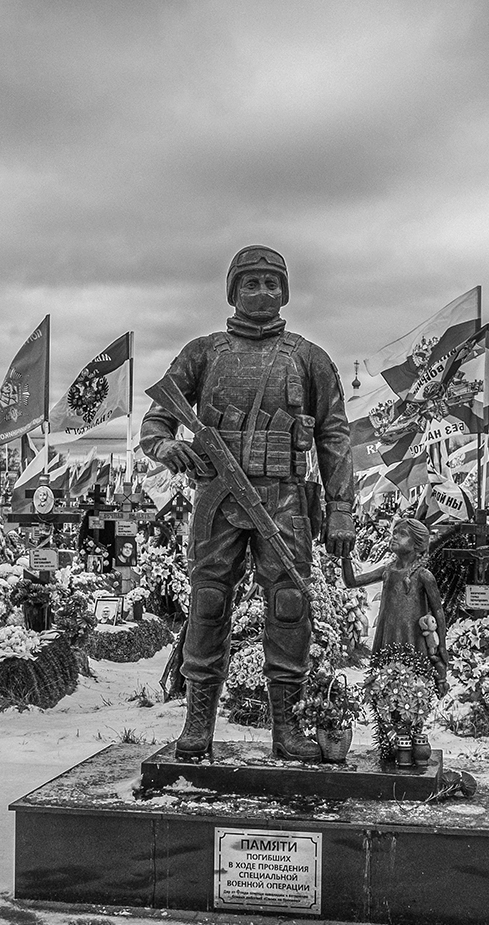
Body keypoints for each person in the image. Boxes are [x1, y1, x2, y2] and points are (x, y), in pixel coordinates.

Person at [140, 245, 355, 762]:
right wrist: (166, 447)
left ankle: (288, 730)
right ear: (233, 291)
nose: (262, 292)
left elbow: (334, 435)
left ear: (285, 291)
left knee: (289, 606)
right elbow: (156, 421)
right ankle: (198, 724)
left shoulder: (309, 358)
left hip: (286, 499)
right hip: (217, 500)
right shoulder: (203, 353)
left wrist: (341, 508)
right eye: (251, 283)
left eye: (271, 283)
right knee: (208, 602)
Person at [342, 516, 447, 766]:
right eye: (394, 532)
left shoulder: (423, 576)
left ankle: (412, 744)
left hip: (413, 644)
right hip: (387, 641)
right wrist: (345, 555)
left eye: (401, 534)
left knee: (414, 693)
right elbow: (351, 582)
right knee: (383, 693)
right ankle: (389, 745)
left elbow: (438, 611)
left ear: (417, 544)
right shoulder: (388, 571)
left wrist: (441, 646)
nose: (394, 537)